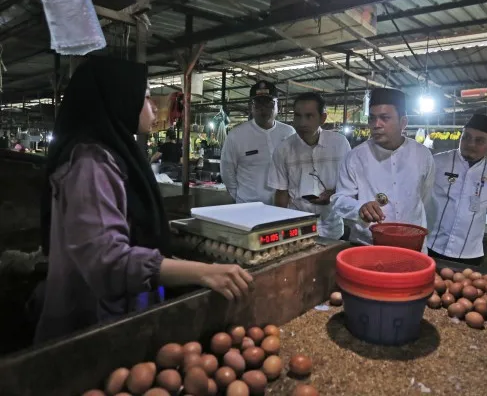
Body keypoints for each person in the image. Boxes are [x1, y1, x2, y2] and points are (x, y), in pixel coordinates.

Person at [36, 57, 252, 344]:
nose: (154, 107)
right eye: (147, 97)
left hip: (118, 317)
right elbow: (107, 262)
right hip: (87, 331)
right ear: (120, 99)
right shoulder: (90, 165)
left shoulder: (115, 155)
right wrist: (202, 272)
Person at [331, 88, 435, 249]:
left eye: (385, 118)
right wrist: (360, 208)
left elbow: (424, 198)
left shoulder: (422, 155)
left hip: (411, 245)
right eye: (372, 119)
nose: (376, 125)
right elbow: (339, 200)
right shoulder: (355, 157)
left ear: (403, 122)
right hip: (368, 244)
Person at [268, 92, 351, 239]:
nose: (302, 123)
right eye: (298, 116)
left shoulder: (339, 144)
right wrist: (279, 227)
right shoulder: (284, 149)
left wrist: (333, 194)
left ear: (322, 118)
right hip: (296, 227)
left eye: (309, 116)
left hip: (332, 226)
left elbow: (350, 184)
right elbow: (281, 193)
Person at [426, 114, 487, 265]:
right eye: (466, 137)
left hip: (470, 252)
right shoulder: (437, 162)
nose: (471, 144)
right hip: (431, 245)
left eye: (479, 140)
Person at [220, 80, 295, 204]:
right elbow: (227, 171)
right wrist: (239, 197)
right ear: (250, 107)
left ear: (278, 106)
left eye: (269, 104)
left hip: (282, 206)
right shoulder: (237, 135)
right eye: (258, 104)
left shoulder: (289, 133)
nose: (263, 109)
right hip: (249, 206)